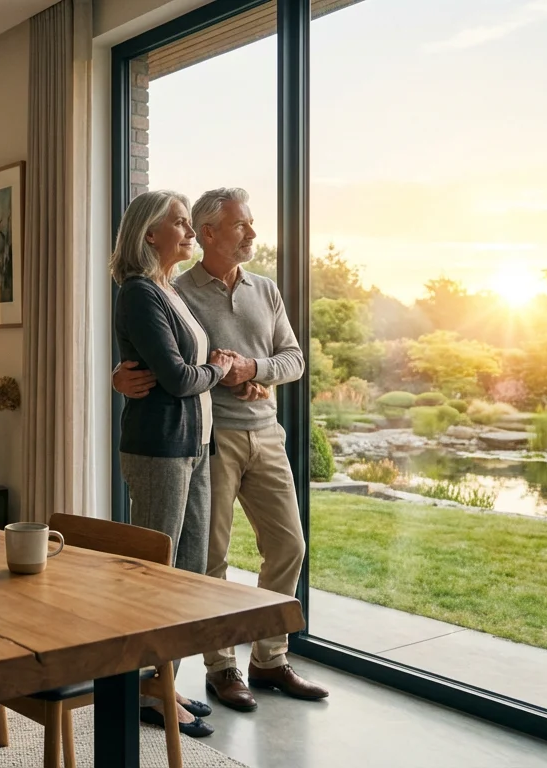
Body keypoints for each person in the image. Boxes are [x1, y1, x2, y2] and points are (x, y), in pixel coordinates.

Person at [114, 187, 330, 712]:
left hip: (263, 432)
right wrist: (121, 375)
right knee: (204, 560)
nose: (252, 234)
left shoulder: (265, 290)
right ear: (208, 233)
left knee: (288, 547)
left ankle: (269, 659)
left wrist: (252, 370)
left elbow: (293, 359)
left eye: (250, 224)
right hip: (210, 437)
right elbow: (165, 363)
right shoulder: (174, 288)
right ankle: (219, 667)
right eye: (240, 226)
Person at [111, 189, 235, 737]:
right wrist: (220, 367)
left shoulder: (167, 289)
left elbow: (182, 371)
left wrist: (206, 366)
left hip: (193, 444)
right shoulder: (139, 293)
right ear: (149, 234)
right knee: (157, 576)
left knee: (186, 571)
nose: (190, 231)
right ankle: (145, 690)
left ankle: (163, 683)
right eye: (180, 223)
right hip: (159, 447)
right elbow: (180, 376)